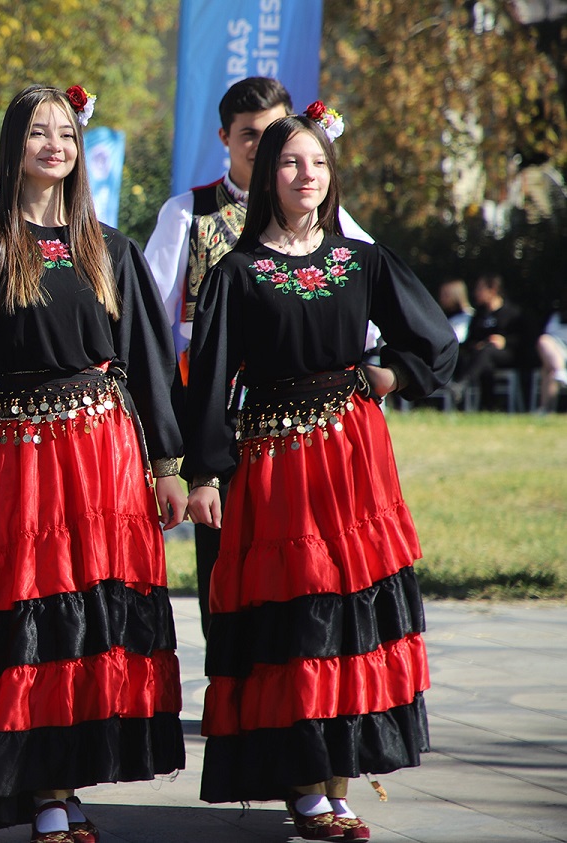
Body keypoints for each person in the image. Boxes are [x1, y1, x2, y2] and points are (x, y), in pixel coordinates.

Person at [183, 104, 456, 839]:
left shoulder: (360, 261)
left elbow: (433, 341)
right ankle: (304, 786)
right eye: (292, 162)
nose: (308, 175)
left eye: (319, 164)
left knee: (351, 615)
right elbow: (207, 382)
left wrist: (385, 377)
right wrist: (205, 474)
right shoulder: (237, 273)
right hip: (275, 466)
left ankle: (338, 781)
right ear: (267, 175)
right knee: (299, 617)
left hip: (353, 461)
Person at [0, 85, 186, 843]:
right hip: (23, 456)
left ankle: (69, 778)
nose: (55, 144)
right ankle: (43, 788)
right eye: (39, 132)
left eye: (66, 133)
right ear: (15, 147)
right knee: (35, 619)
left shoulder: (111, 247)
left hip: (105, 453)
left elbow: (146, 358)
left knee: (91, 619)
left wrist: (168, 464)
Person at [144, 76, 371, 637]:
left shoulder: (330, 221)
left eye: (275, 134)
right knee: (225, 550)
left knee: (310, 550)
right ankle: (234, 685)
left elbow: (370, 313)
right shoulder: (188, 213)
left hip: (310, 416)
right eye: (250, 135)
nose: (262, 147)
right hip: (217, 406)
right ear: (225, 137)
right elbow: (151, 321)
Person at [452, 273, 530, 410]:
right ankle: (488, 405)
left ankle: (463, 385)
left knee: (487, 352)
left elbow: (524, 340)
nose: (476, 293)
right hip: (483, 356)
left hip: (507, 355)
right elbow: (471, 338)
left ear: (493, 289)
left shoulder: (512, 313)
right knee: (484, 359)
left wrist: (505, 341)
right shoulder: (480, 315)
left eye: (479, 289)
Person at [538, 304, 567, 413]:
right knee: (544, 341)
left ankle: (545, 409)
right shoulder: (557, 316)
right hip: (558, 351)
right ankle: (560, 371)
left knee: (548, 369)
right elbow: (550, 335)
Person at [437, 277, 473, 343]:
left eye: (446, 295)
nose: (441, 298)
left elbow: (460, 338)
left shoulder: (467, 316)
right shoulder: (442, 315)